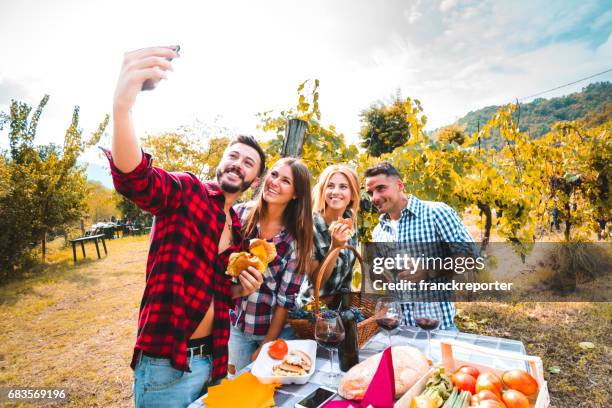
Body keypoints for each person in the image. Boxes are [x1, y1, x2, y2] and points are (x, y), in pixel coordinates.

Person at [107, 45, 266, 408]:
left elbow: (221, 293)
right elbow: (136, 179)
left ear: (254, 180)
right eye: (233, 156)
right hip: (168, 365)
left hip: (215, 362)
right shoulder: (186, 192)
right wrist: (122, 108)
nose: (238, 164)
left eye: (248, 162)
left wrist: (242, 290)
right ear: (221, 163)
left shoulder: (239, 233)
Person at [365, 162, 477, 330]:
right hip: (399, 329)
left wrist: (428, 271)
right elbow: (378, 272)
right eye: (370, 193)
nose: (374, 198)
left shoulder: (436, 213)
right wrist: (377, 272)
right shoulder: (378, 231)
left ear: (400, 185)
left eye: (381, 188)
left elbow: (471, 257)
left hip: (437, 328)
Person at [228, 157, 314, 372]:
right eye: (274, 174)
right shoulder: (239, 216)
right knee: (238, 389)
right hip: (236, 325)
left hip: (273, 330)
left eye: (286, 181)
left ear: (296, 194)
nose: (274, 182)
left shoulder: (296, 238)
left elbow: (286, 300)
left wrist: (267, 344)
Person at [297, 165, 361, 307]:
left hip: (341, 308)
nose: (335, 191)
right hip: (313, 309)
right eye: (330, 186)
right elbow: (316, 282)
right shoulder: (308, 226)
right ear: (323, 190)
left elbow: (347, 270)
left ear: (352, 193)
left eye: (343, 187)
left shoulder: (350, 220)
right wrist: (334, 247)